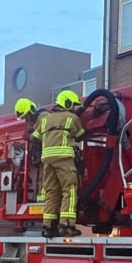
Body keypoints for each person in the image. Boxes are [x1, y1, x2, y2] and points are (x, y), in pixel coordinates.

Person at [32, 90, 86, 238]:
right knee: (69, 190)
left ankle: (48, 227)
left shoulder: (45, 119)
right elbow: (81, 135)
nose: (74, 108)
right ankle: (67, 225)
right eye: (72, 105)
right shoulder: (72, 118)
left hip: (47, 161)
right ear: (67, 103)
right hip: (64, 159)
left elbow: (34, 137)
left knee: (51, 193)